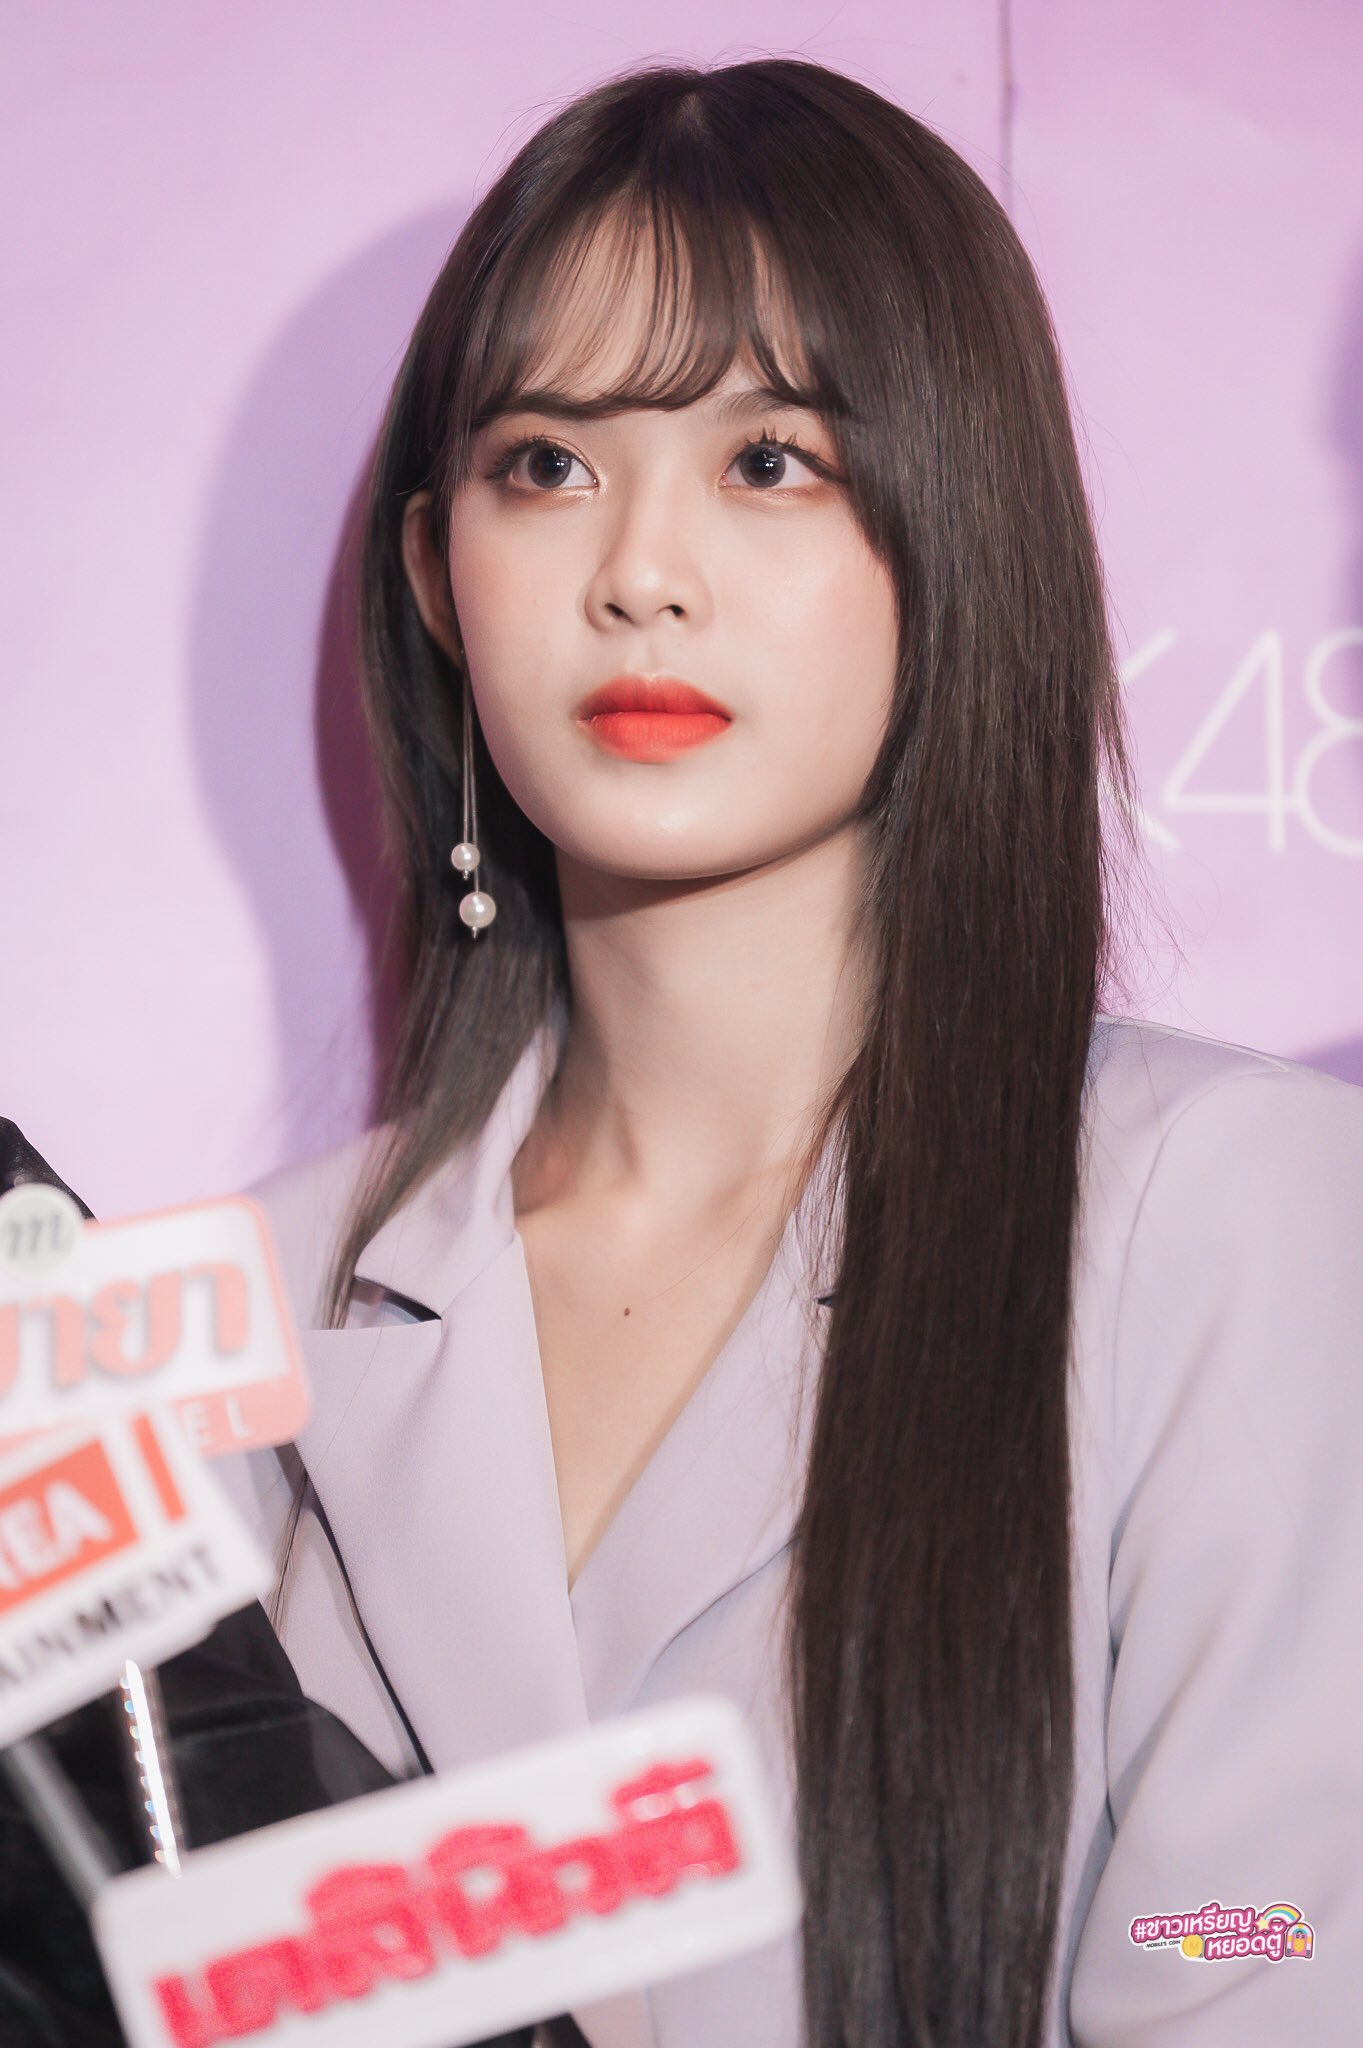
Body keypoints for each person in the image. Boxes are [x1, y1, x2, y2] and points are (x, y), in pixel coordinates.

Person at [220, 56, 1363, 2048]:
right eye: (547, 465)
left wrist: (1225, 1942)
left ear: (956, 532)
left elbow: (1262, 1941)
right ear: (432, 578)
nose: (639, 573)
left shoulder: (1223, 1216)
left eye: (768, 460)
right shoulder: (247, 1314)